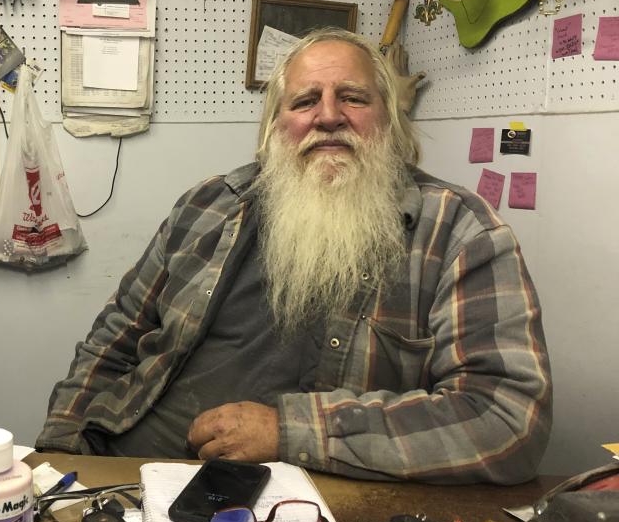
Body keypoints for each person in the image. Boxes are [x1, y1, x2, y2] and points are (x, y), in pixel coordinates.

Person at [36, 28, 552, 484]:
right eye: (305, 101)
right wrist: (58, 448)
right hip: (128, 470)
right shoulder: (207, 205)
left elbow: (505, 417)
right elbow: (118, 334)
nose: (329, 116)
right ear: (274, 127)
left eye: (353, 97)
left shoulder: (462, 232)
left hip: (297, 506)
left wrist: (291, 432)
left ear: (392, 121)